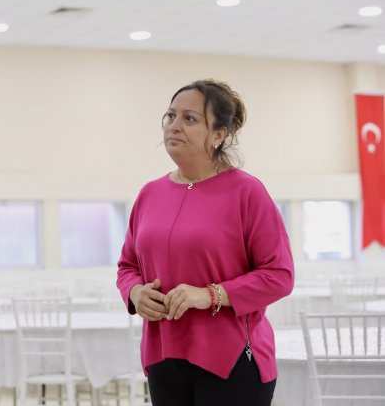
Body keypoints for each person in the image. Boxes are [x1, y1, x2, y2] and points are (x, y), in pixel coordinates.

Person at [116, 79, 294, 406]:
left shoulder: (247, 192)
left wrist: (210, 294)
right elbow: (127, 265)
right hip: (163, 358)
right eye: (171, 116)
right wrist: (135, 292)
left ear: (218, 135)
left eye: (190, 118)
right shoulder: (149, 194)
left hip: (233, 362)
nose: (174, 125)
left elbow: (279, 275)